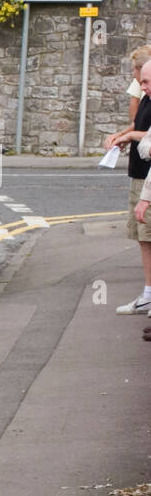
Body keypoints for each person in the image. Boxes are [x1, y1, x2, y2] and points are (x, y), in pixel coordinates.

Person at [105, 58, 151, 315]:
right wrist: (123, 135)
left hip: (147, 178)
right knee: (143, 237)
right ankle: (148, 295)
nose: (140, 86)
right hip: (140, 176)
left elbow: (146, 139)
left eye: (145, 81)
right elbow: (140, 126)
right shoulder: (147, 98)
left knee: (148, 235)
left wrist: (131, 137)